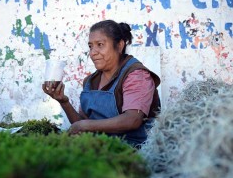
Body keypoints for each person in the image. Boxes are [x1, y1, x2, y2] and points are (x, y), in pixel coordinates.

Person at [42, 19, 161, 148]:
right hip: (101, 149)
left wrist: (86, 125)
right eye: (90, 46)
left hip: (135, 152)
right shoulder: (90, 82)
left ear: (120, 46)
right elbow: (82, 125)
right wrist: (64, 102)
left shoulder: (137, 75)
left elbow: (132, 120)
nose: (93, 52)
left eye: (100, 44)